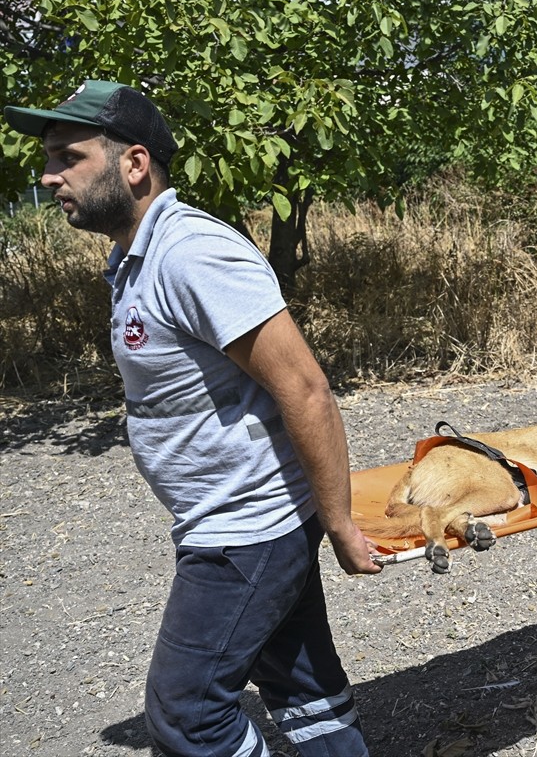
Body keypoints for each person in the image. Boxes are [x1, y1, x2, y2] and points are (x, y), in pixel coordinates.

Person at [4, 80, 382, 756]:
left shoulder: (193, 254)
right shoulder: (136, 255)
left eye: (68, 155)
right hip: (236, 517)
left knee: (186, 713)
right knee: (298, 683)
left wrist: (342, 524)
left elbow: (305, 389)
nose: (48, 173)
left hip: (246, 529)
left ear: (134, 163)